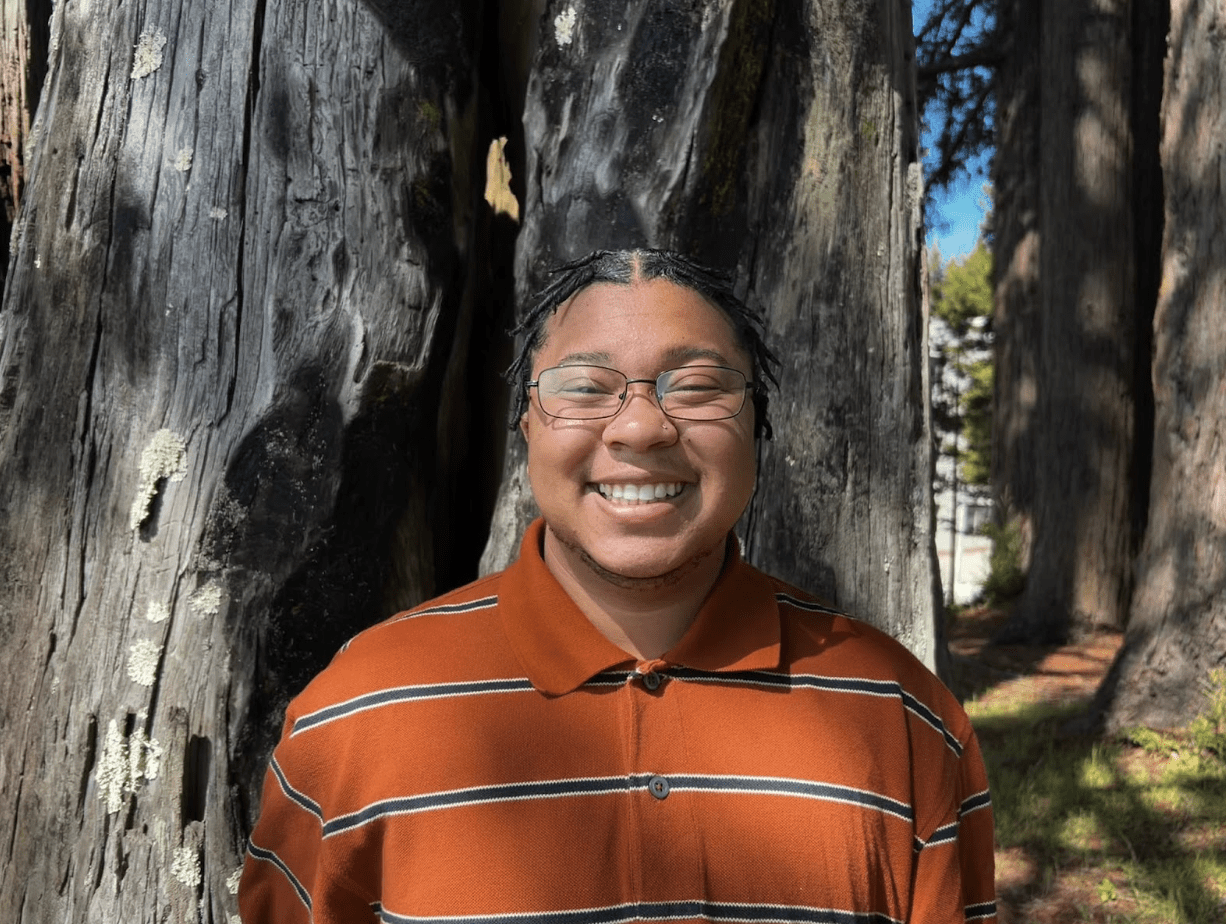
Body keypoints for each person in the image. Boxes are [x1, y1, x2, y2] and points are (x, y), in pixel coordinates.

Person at [239, 249, 998, 924]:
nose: (639, 428)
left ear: (756, 426)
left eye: (696, 385)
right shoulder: (355, 715)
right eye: (584, 387)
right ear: (527, 425)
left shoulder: (903, 718)